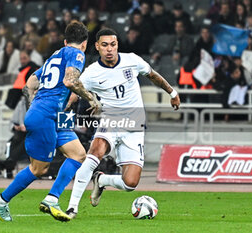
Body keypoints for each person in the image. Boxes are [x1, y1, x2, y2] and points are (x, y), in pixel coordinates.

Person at [0, 21, 101, 222]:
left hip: (50, 115)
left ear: (66, 41)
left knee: (79, 154)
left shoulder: (54, 56)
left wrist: (36, 106)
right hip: (46, 116)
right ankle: (2, 199)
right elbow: (70, 81)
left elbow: (28, 86)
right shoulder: (76, 54)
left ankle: (52, 198)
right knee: (38, 169)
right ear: (85, 43)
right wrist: (92, 99)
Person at [65, 28, 180, 218]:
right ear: (97, 47)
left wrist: (172, 93)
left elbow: (152, 75)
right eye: (104, 45)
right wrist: (61, 112)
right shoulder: (91, 73)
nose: (109, 49)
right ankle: (72, 208)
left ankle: (101, 180)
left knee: (130, 183)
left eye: (113, 44)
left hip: (134, 125)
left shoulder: (132, 60)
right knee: (95, 153)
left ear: (117, 45)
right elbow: (73, 94)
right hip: (110, 121)